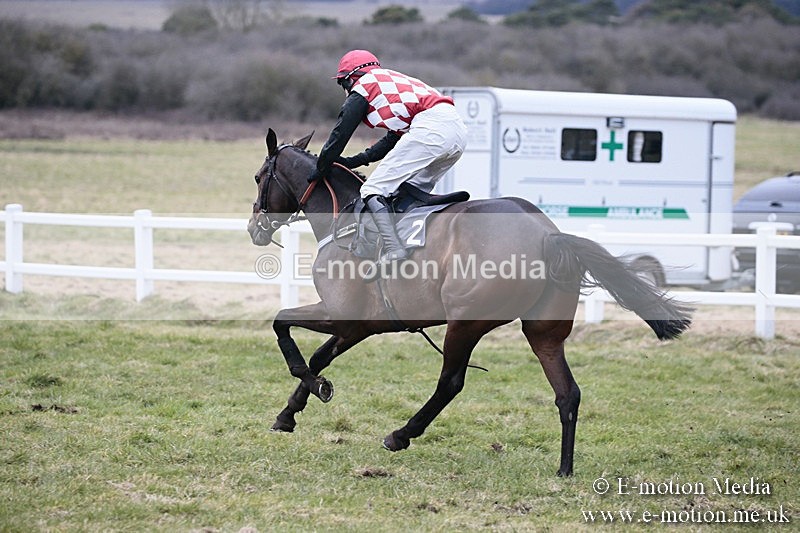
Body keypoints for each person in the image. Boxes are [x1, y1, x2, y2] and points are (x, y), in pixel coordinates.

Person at [309, 49, 467, 279]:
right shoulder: (390, 84)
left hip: (432, 130)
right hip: (457, 133)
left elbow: (340, 132)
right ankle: (418, 248)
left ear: (351, 77)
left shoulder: (363, 86)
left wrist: (321, 166)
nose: (345, 89)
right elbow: (392, 139)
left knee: (372, 189)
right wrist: (356, 160)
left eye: (343, 83)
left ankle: (393, 249)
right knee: (407, 192)